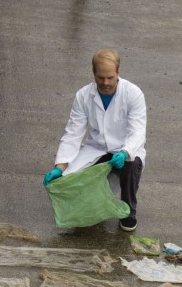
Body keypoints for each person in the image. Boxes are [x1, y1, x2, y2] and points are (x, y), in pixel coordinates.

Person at [44, 49, 146, 232]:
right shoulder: (83, 96)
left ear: (118, 72)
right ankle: (90, 208)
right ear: (93, 73)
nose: (105, 83)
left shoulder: (133, 94)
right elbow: (73, 133)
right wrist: (60, 167)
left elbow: (137, 131)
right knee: (69, 179)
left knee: (131, 166)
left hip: (125, 149)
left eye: (110, 78)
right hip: (96, 148)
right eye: (100, 78)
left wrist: (125, 152)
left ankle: (129, 212)